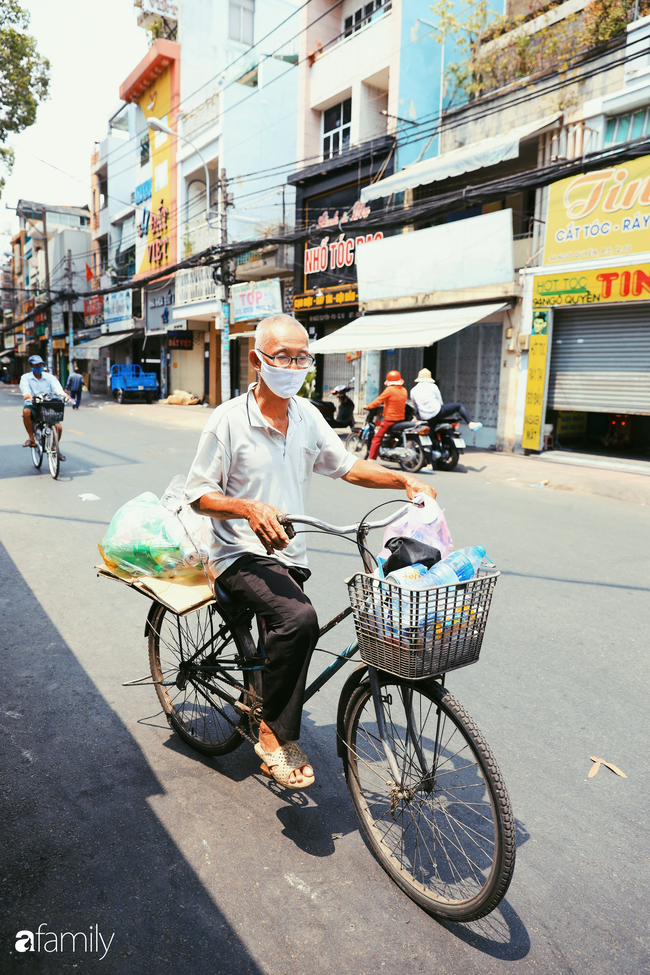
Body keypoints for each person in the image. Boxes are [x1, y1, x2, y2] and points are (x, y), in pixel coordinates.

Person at [184, 315, 436, 791]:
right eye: (283, 356)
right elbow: (198, 495)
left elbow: (347, 467)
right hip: (235, 552)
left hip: (287, 552)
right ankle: (273, 736)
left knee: (289, 630)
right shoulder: (229, 419)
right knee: (299, 620)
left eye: (302, 356)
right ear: (258, 360)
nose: (294, 365)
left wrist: (403, 479)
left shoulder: (307, 415)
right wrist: (246, 507)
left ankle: (261, 697)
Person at [20, 354, 70, 460]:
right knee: (26, 412)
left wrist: (64, 395)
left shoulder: (50, 377)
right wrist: (27, 395)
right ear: (31, 366)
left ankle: (53, 448)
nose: (39, 367)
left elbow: (57, 388)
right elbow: (25, 389)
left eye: (40, 365)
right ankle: (31, 438)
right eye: (36, 365)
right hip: (33, 404)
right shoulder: (26, 378)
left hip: (47, 404)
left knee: (58, 427)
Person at [410, 368, 483, 431]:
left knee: (429, 437)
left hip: (425, 417)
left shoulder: (413, 390)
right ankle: (470, 423)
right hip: (437, 412)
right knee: (459, 406)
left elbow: (415, 407)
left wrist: (420, 416)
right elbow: (440, 401)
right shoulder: (433, 386)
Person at [364, 370, 408, 460]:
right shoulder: (404, 390)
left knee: (377, 437)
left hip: (390, 420)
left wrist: (368, 406)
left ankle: (371, 458)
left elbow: (378, 400)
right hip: (401, 419)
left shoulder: (389, 390)